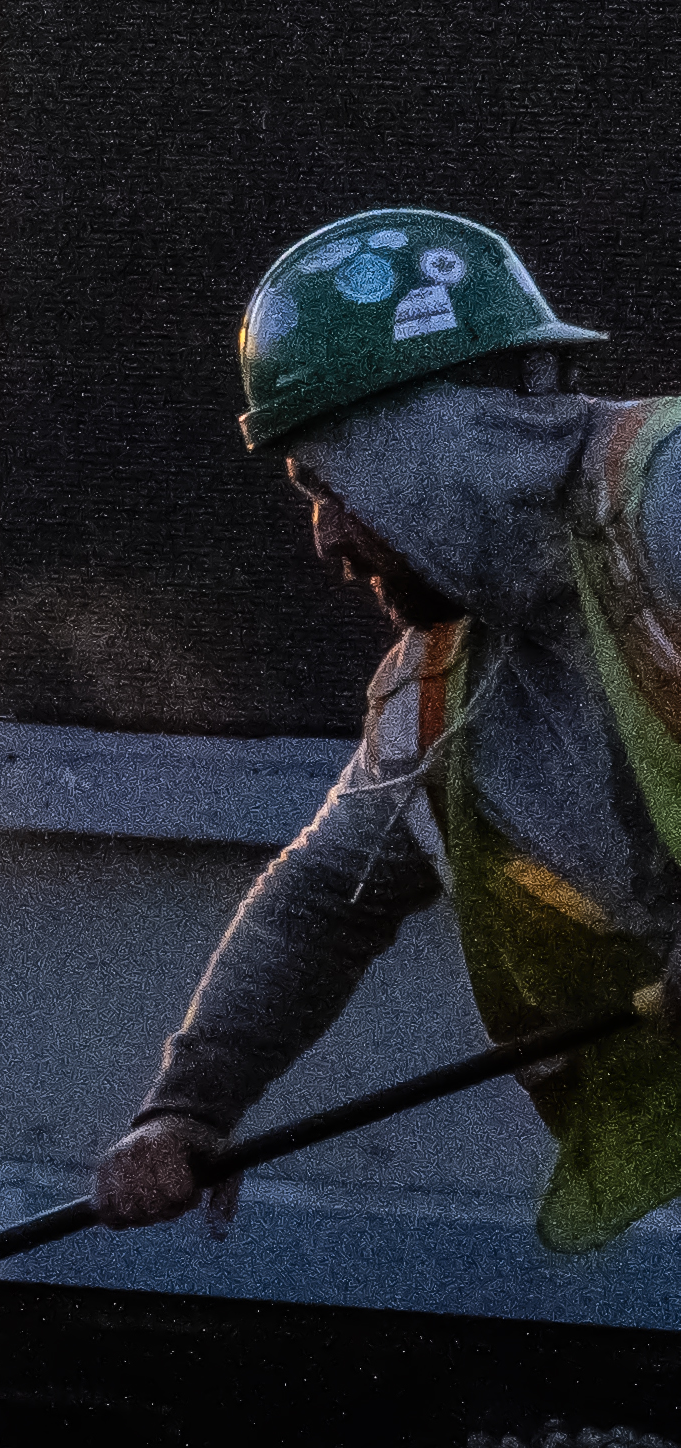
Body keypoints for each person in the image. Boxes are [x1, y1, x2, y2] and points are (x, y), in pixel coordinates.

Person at [96, 206, 681, 1249]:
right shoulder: (444, 691)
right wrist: (189, 1106)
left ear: (421, 447)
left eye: (327, 481)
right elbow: (323, 902)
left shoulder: (667, 495)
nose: (324, 536)